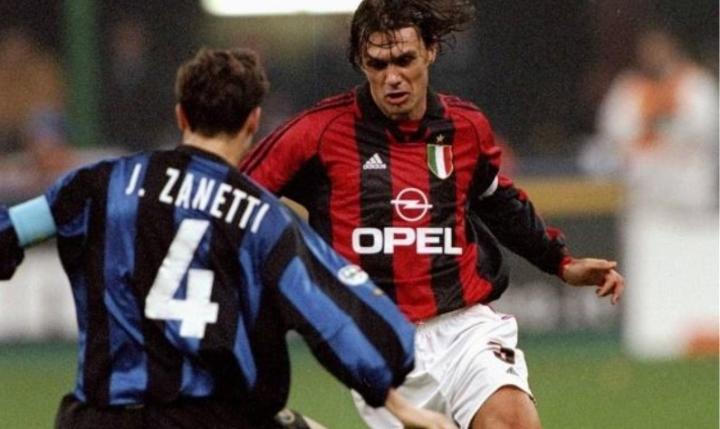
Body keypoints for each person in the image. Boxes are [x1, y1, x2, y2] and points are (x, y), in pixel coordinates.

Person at [0, 47, 457, 429]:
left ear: (181, 114)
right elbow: (335, 314)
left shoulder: (101, 184)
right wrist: (395, 398)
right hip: (212, 419)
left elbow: (11, 229)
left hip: (98, 420)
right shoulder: (264, 218)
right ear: (253, 122)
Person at [240, 1, 625, 428]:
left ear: (430, 50)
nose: (392, 77)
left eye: (404, 60)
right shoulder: (317, 132)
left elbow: (497, 200)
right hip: (381, 345)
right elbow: (233, 199)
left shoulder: (465, 127)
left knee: (514, 421)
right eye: (377, 64)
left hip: (465, 328)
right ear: (361, 63)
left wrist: (561, 262)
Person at [583, 27, 717, 358]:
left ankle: (703, 322)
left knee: (696, 264)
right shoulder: (628, 88)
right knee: (650, 269)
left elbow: (703, 130)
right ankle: (655, 328)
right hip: (646, 200)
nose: (653, 55)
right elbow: (614, 133)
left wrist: (661, 125)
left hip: (692, 202)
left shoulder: (695, 84)